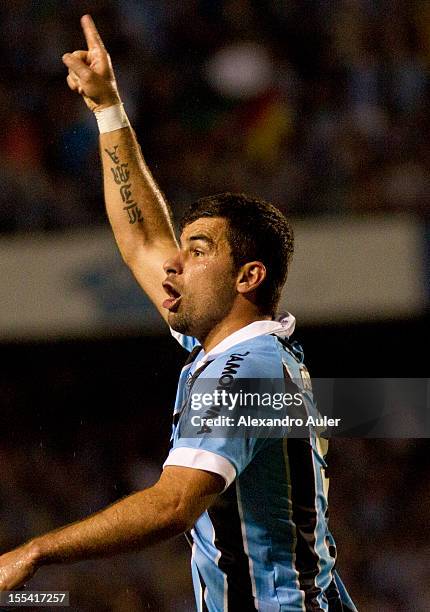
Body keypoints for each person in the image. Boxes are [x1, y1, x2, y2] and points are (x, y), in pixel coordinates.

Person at [0, 15, 357, 612]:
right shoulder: (237, 350)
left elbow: (173, 505)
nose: (173, 265)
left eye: (196, 252)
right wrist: (109, 110)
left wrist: (35, 552)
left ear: (249, 277)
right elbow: (143, 240)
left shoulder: (248, 370)